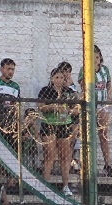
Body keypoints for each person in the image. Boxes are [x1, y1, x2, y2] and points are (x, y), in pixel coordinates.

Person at [38, 66, 78, 196]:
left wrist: (68, 110)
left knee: (65, 157)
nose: (59, 80)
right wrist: (53, 107)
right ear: (52, 79)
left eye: (61, 77)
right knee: (49, 156)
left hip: (64, 125)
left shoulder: (69, 92)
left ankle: (65, 185)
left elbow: (76, 109)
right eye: (56, 77)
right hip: (49, 124)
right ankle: (44, 185)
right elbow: (40, 107)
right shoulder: (46, 90)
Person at [82, 45, 112, 176]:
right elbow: (83, 85)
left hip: (102, 106)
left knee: (103, 135)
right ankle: (88, 165)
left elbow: (109, 84)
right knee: (88, 136)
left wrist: (109, 96)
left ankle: (108, 164)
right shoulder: (85, 69)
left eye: (97, 57)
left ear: (100, 58)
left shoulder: (105, 70)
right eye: (92, 57)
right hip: (90, 106)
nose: (95, 59)